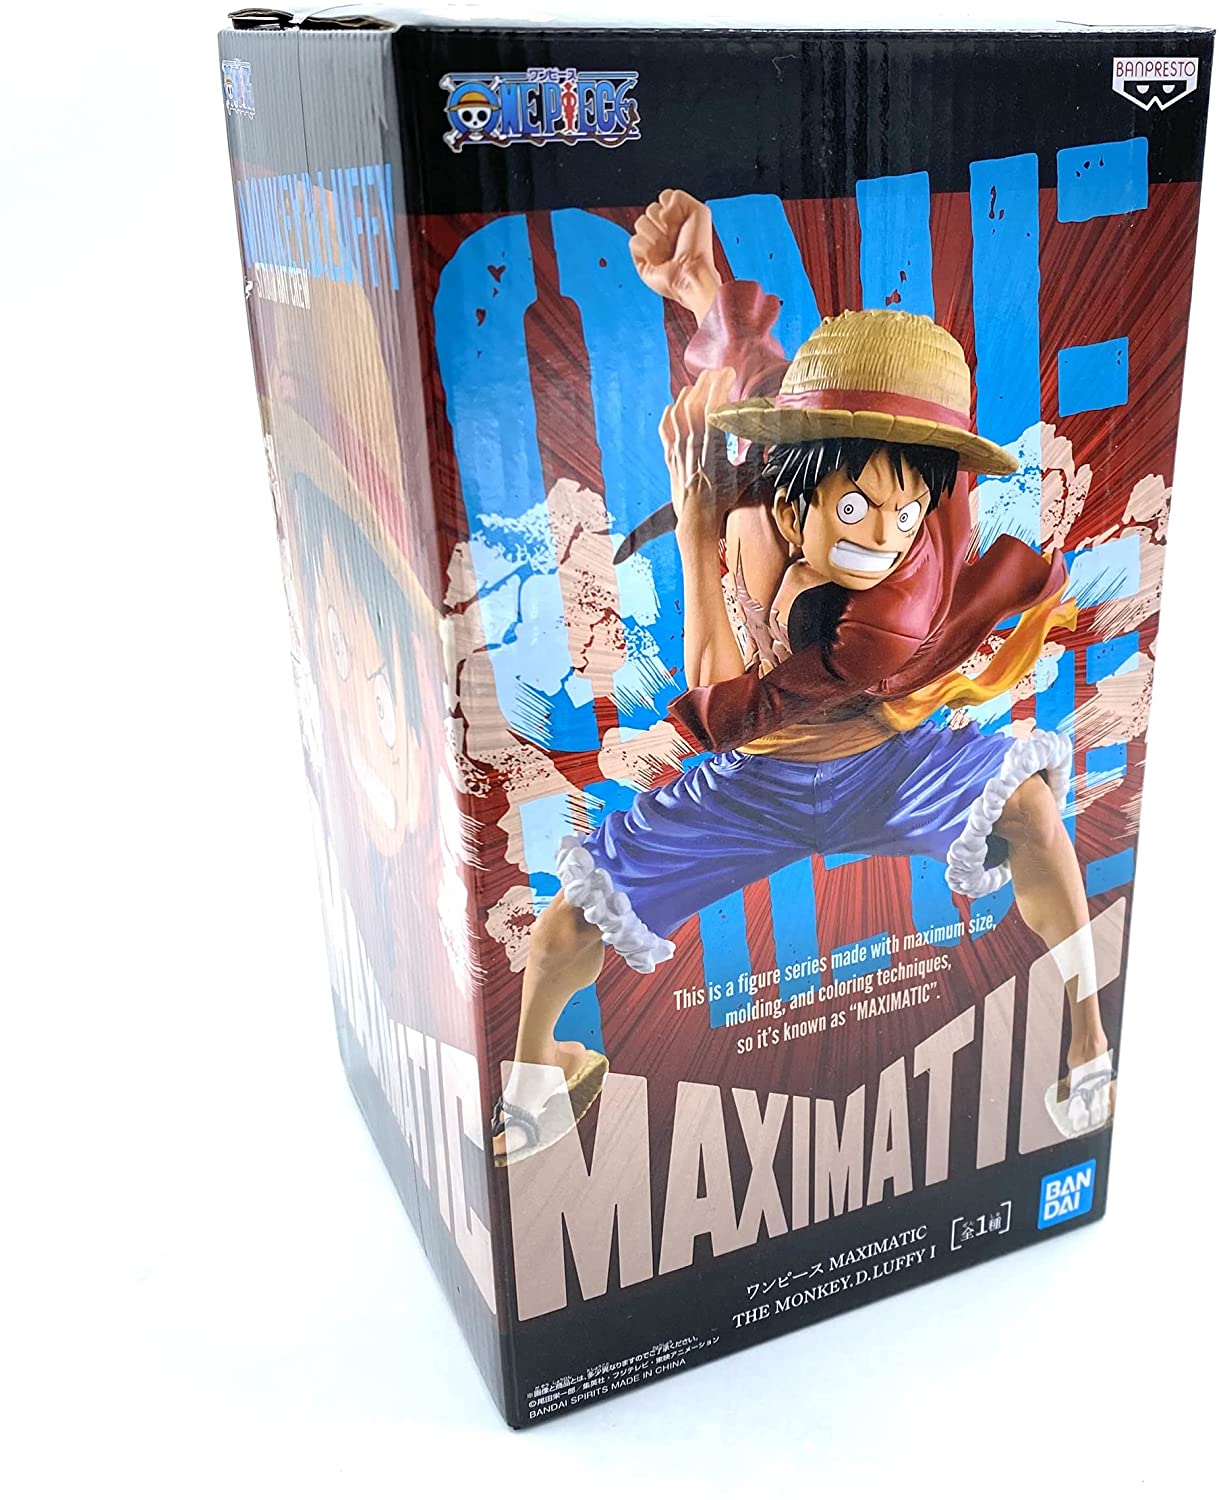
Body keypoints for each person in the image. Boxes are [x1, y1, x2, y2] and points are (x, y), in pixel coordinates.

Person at [491, 191, 1113, 1165]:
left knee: (1031, 812)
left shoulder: (888, 614)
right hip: (757, 791)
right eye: (855, 506)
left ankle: (1087, 1038)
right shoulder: (767, 481)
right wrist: (699, 278)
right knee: (574, 913)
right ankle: (540, 1074)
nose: (882, 537)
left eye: (905, 512)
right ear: (796, 490)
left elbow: (721, 713)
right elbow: (758, 365)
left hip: (886, 764)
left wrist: (694, 532)